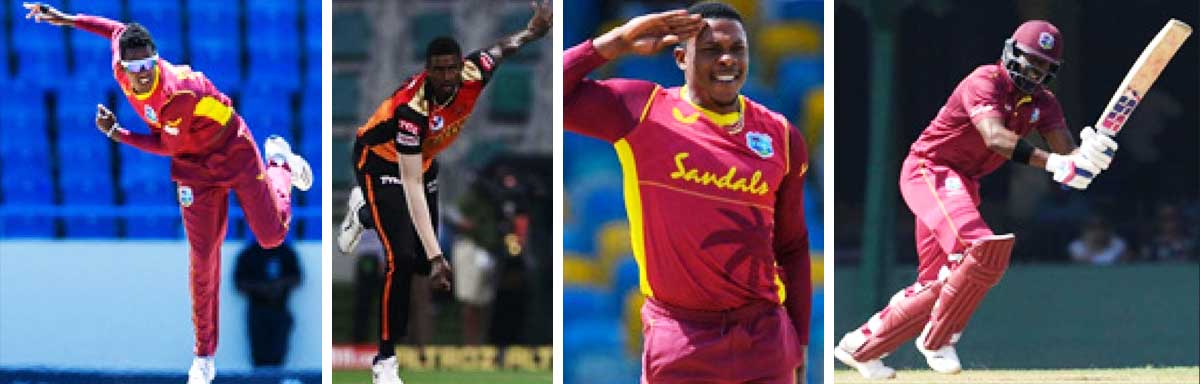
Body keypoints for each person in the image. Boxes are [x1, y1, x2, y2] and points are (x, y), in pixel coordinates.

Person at [23, 3, 313, 384]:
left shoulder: (175, 94)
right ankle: (204, 357)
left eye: (149, 66)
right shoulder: (122, 64)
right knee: (202, 257)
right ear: (123, 66)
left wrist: (118, 134)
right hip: (194, 169)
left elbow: (165, 147)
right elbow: (114, 29)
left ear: (156, 60)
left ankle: (279, 164)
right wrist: (68, 19)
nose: (143, 75)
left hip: (231, 147)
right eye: (135, 68)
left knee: (272, 237)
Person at [834, 20, 1120, 378]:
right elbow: (996, 139)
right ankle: (938, 340)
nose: (1035, 70)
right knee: (981, 249)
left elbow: (1069, 160)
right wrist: (1056, 163)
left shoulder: (1044, 103)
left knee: (940, 282)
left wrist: (1090, 156)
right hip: (930, 170)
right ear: (1011, 52)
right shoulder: (985, 80)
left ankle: (859, 347)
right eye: (1030, 60)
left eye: (1044, 66)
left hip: (964, 183)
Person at [564, 3, 811, 382]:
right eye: (712, 50)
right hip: (681, 339)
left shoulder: (781, 135)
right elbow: (560, 96)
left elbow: (792, 246)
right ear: (681, 57)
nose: (727, 59)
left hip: (764, 341)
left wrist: (800, 341)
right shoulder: (642, 110)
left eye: (737, 49)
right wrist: (617, 41)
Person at [334, 2, 551, 383]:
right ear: (428, 71)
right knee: (401, 259)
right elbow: (411, 183)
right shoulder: (411, 111)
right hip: (380, 160)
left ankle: (365, 212)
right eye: (440, 70)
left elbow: (501, 49)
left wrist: (532, 32)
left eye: (452, 67)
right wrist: (438, 256)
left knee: (418, 263)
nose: (449, 77)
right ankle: (385, 361)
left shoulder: (472, 73)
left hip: (424, 159)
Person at [234, 239, 303, 367]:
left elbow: (297, 277)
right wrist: (262, 289)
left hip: (280, 310)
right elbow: (239, 283)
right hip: (257, 311)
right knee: (258, 356)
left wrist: (279, 285)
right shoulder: (249, 253)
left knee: (279, 354)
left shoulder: (285, 252)